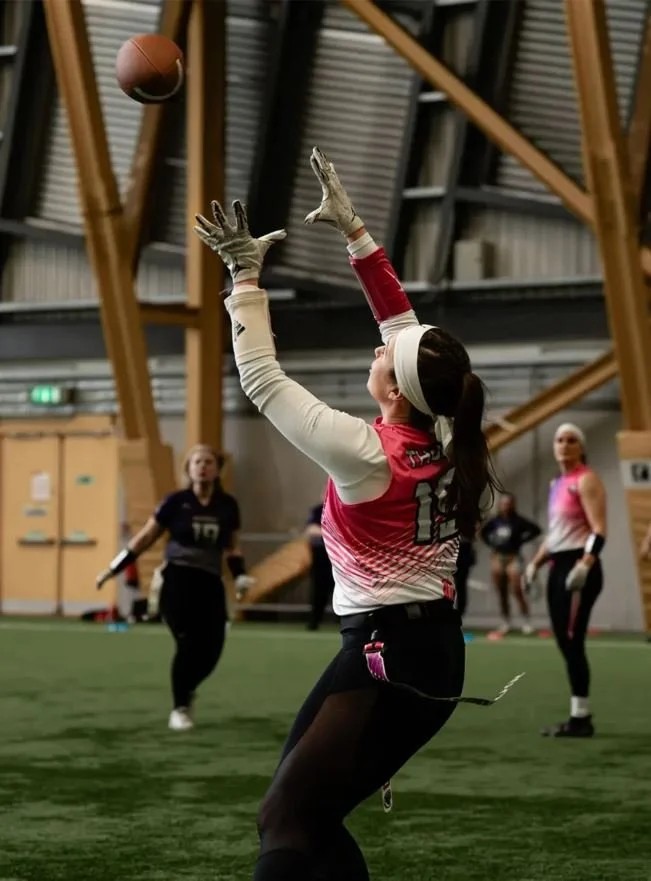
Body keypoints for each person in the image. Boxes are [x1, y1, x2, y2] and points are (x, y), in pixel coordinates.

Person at [193, 146, 505, 881]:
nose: (377, 348)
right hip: (424, 653)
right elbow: (406, 329)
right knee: (302, 814)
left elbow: (263, 380)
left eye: (382, 360)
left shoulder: (370, 453)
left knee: (287, 818)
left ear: (395, 393)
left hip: (386, 657)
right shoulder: (449, 432)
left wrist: (243, 279)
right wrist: (357, 236)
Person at [95, 444, 254, 731]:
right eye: (197, 462)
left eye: (208, 462)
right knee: (188, 643)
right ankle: (180, 706)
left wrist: (240, 575)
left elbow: (232, 546)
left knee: (212, 648)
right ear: (188, 468)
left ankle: (188, 686)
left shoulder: (227, 505)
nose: (203, 466)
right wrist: (113, 568)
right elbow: (144, 538)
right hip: (178, 581)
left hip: (210, 581)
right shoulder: (175, 501)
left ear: (217, 469)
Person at [525, 423, 606, 738]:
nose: (564, 445)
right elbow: (556, 534)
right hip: (558, 565)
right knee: (563, 639)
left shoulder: (586, 480)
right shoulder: (557, 482)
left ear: (581, 447)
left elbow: (599, 529)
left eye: (572, 440)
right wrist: (534, 563)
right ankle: (578, 715)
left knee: (572, 640)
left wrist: (586, 564)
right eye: (560, 440)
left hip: (579, 568)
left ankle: (581, 718)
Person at [481, 493, 541, 637]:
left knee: (516, 589)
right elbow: (482, 533)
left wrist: (521, 540)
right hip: (497, 557)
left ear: (513, 504)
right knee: (501, 590)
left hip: (513, 557)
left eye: (508, 503)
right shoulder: (495, 521)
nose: (506, 506)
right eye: (503, 504)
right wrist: (491, 543)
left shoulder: (518, 521)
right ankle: (505, 621)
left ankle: (526, 621)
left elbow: (536, 530)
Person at [304, 495, 335, 630]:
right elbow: (311, 531)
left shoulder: (344, 508)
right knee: (319, 589)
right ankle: (314, 621)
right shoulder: (318, 510)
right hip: (321, 556)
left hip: (339, 558)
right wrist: (333, 533)